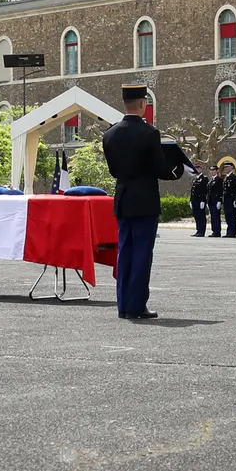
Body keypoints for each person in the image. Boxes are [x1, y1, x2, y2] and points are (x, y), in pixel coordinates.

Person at [102, 85, 181, 319]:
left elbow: (114, 171)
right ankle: (137, 305)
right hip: (145, 200)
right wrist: (178, 170)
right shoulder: (149, 134)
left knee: (124, 252)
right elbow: (159, 168)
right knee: (142, 254)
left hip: (124, 199)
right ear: (143, 104)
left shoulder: (110, 134)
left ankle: (123, 305)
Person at [189, 160, 208, 237]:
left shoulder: (204, 179)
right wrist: (190, 200)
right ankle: (198, 230)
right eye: (195, 168)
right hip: (195, 201)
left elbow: (204, 190)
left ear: (201, 169)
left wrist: (203, 200)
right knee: (196, 216)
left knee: (201, 216)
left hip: (200, 201)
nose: (196, 170)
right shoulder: (195, 179)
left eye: (198, 168)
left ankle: (202, 231)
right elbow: (192, 191)